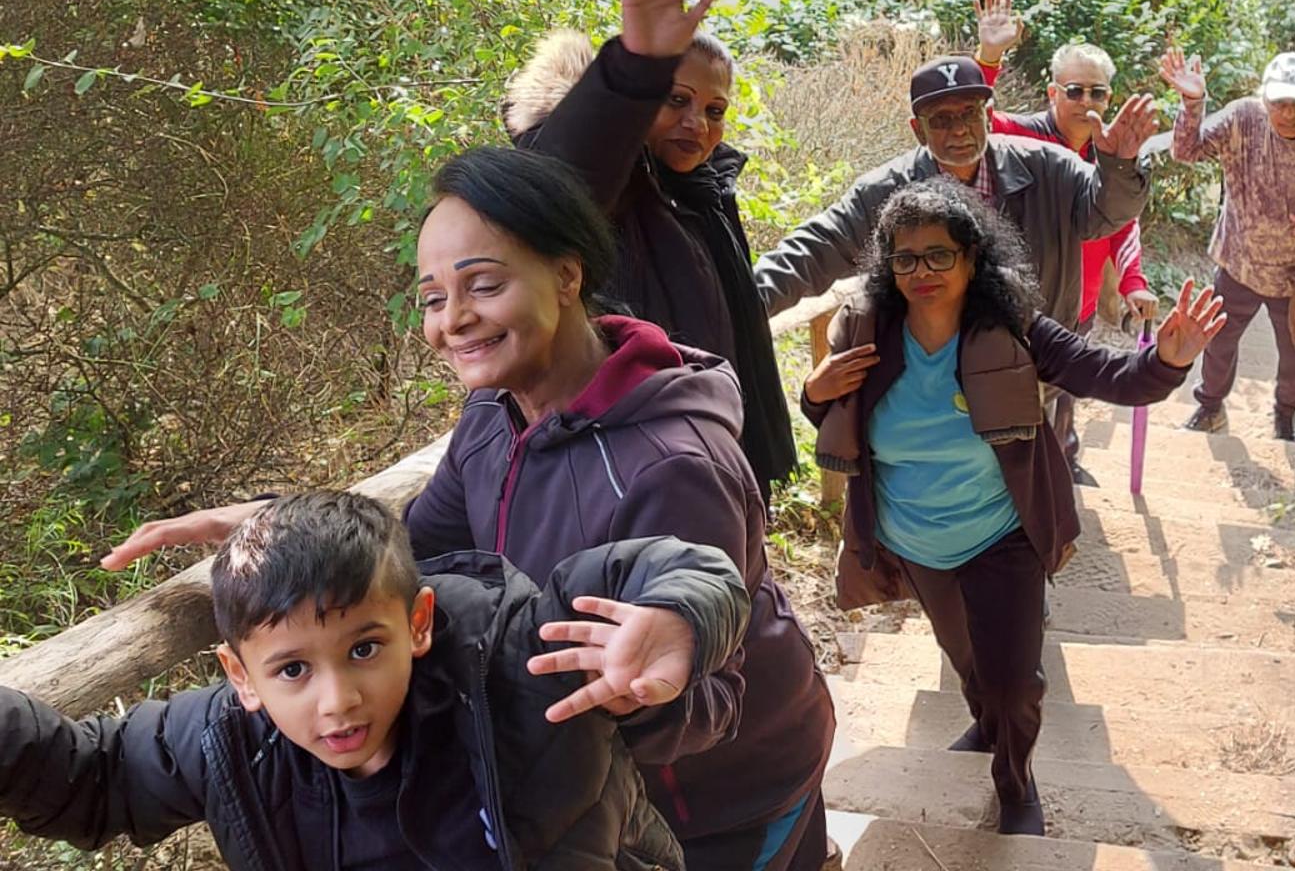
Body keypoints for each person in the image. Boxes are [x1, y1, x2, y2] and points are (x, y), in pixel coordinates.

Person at [106, 147, 838, 864]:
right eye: (432, 298)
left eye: (482, 285)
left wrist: (631, 691)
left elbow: (715, 703)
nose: (451, 320)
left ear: (566, 274)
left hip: (724, 793)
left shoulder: (671, 466)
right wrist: (282, 522)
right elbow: (414, 549)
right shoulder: (495, 414)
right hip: (610, 774)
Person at [5, 491, 748, 870]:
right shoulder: (226, 744)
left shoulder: (510, 656)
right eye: (292, 669)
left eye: (364, 650)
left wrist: (678, 615)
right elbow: (90, 776)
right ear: (242, 675)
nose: (337, 701)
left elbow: (676, 565)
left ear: (417, 622)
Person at [799, 179, 1226, 836]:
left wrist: (1167, 362)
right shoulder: (867, 331)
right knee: (967, 660)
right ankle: (985, 721)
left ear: (973, 257)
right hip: (915, 542)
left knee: (1015, 682)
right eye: (905, 257)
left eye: (939, 254)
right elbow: (835, 413)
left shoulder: (1013, 331)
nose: (922, 272)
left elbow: (1107, 375)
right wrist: (812, 389)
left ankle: (1016, 782)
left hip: (1002, 536)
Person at [502, 0, 796, 505]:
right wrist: (637, 68)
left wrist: (756, 456)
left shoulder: (704, 189)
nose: (699, 124)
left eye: (715, 110)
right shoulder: (618, 186)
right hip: (633, 467)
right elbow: (565, 178)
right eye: (676, 100)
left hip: (713, 448)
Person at [750, 47, 1160, 334]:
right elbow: (814, 249)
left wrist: (1119, 166)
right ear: (918, 130)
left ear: (988, 115)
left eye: (969, 114)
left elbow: (1105, 214)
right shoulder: (887, 191)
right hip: (932, 380)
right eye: (942, 119)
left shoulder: (1050, 169)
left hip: (1034, 364)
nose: (960, 129)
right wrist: (740, 301)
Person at [972, 0, 1157, 485]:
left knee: (1069, 385)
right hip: (1025, 297)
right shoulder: (1024, 136)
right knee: (1020, 387)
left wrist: (1134, 281)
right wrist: (989, 57)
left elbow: (1121, 219)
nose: (1086, 101)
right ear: (1053, 93)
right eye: (1074, 90)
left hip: (1084, 298)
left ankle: (1065, 459)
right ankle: (1018, 480)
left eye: (1097, 92)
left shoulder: (1111, 149)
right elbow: (976, 125)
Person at [1157, 43, 1295, 441]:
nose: (1288, 113)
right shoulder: (1243, 119)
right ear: (1264, 99)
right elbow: (1187, 151)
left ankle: (1285, 417)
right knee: (1217, 338)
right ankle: (1210, 406)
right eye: (1278, 103)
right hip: (1238, 260)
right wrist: (1193, 102)